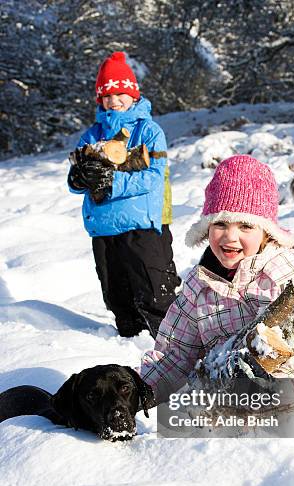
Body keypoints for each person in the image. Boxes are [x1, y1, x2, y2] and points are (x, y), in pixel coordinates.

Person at [141, 155, 294, 408]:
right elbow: (175, 356)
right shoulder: (198, 286)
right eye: (220, 223)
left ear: (265, 231)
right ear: (207, 228)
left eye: (246, 226)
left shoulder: (285, 277)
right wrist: (141, 390)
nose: (230, 237)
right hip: (218, 406)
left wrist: (274, 391)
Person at [68, 51, 180, 338]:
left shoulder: (148, 131)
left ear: (133, 94)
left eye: (120, 94)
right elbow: (77, 178)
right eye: (107, 96)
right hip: (104, 229)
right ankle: (128, 344)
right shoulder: (92, 136)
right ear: (99, 99)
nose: (114, 101)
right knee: (118, 297)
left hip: (141, 227)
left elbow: (154, 176)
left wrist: (111, 183)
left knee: (155, 293)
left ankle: (171, 348)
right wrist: (78, 178)